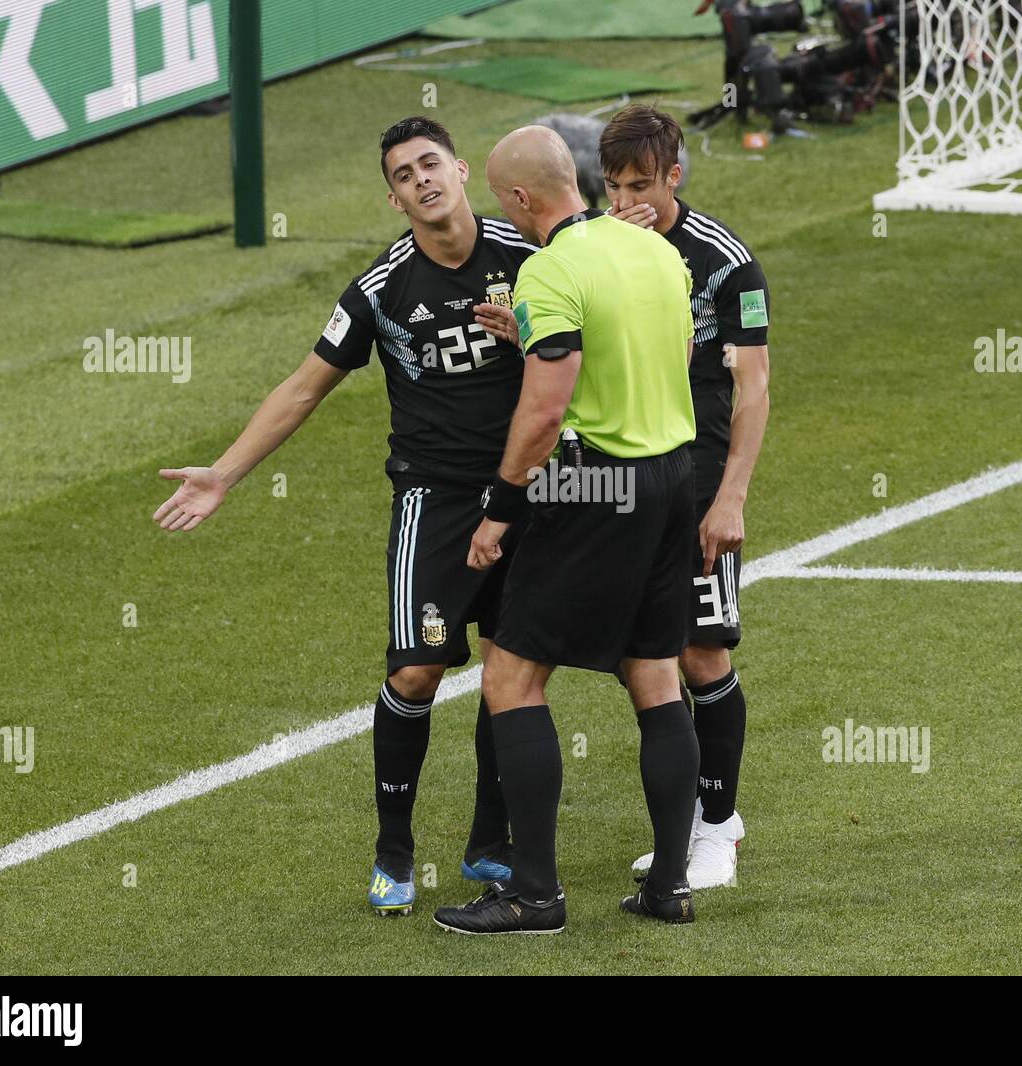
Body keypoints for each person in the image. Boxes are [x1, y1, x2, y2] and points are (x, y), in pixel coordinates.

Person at [151, 116, 535, 917]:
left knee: (513, 675)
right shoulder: (381, 289)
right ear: (395, 199)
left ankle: (489, 844)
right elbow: (302, 388)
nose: (422, 179)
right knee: (416, 672)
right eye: (404, 174)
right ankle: (394, 849)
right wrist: (225, 473)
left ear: (462, 170)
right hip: (434, 501)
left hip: (525, 491)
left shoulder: (532, 257)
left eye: (431, 163)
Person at [432, 125, 700, 936]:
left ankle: (534, 894)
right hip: (674, 475)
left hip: (597, 484)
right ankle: (670, 886)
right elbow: (675, 355)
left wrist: (501, 510)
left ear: (518, 201)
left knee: (512, 677)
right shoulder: (656, 250)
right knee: (655, 675)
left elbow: (547, 408)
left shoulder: (547, 271)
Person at [599, 105, 770, 890]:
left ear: (674, 176)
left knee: (703, 651)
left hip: (696, 486)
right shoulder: (597, 249)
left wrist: (730, 497)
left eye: (642, 184)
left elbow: (754, 387)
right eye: (614, 186)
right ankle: (683, 831)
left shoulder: (725, 263)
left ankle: (717, 828)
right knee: (648, 660)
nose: (628, 200)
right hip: (624, 481)